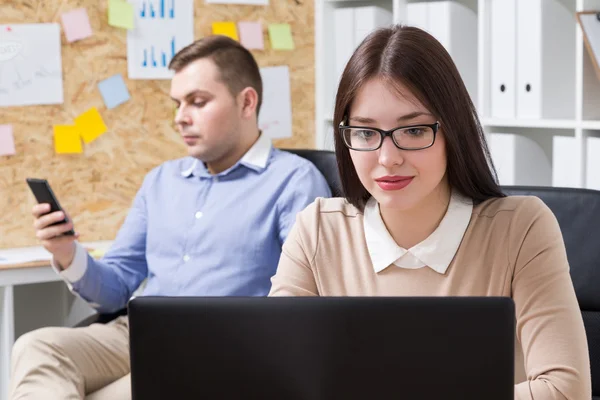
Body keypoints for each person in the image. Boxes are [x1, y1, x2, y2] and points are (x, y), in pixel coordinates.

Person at [269, 25, 591, 399]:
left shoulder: (520, 228)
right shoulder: (318, 230)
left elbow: (565, 391)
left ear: (453, 130)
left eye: (415, 131)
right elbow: (276, 378)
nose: (388, 159)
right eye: (365, 133)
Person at [10, 35, 331, 400]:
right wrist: (67, 252)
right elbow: (115, 290)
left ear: (246, 102)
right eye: (177, 104)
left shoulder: (294, 182)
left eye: (197, 102)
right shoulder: (161, 180)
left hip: (222, 349)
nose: (180, 118)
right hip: (135, 334)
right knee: (36, 347)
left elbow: (307, 308)